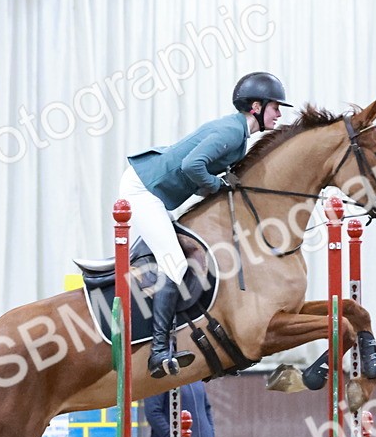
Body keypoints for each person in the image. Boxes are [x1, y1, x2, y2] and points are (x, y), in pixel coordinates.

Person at [121, 72, 292, 378]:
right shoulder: (230, 132)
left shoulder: (238, 135)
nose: (279, 114)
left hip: (155, 191)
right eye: (275, 107)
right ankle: (159, 351)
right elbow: (191, 166)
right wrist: (217, 185)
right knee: (174, 264)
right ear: (256, 106)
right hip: (143, 190)